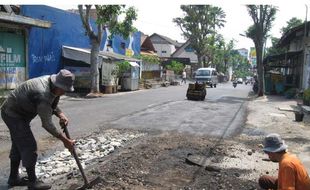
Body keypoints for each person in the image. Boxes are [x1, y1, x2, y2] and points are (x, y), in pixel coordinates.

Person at [1, 69, 76, 190]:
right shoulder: (42, 93)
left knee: (18, 144)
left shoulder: (51, 85)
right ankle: (33, 182)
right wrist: (65, 140)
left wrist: (60, 114)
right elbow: (47, 124)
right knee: (29, 146)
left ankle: (13, 178)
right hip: (12, 114)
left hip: (20, 113)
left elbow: (53, 103)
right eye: (63, 90)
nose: (63, 93)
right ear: (56, 84)